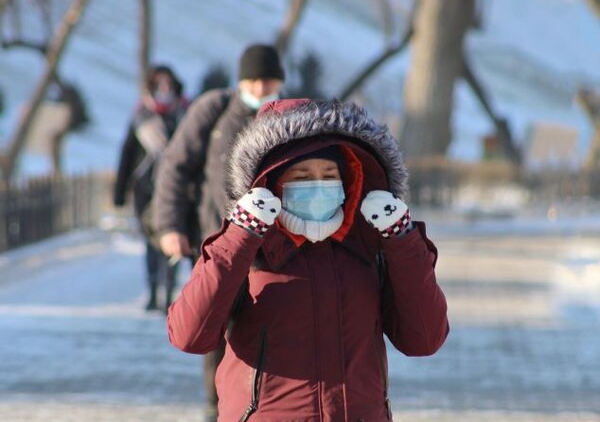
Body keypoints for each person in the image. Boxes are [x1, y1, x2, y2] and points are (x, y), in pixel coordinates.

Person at [167, 99, 449, 421]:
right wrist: (240, 235)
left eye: (329, 175)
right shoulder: (246, 250)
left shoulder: (370, 250)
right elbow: (189, 335)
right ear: (271, 185)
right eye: (301, 177)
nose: (318, 186)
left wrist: (403, 239)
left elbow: (425, 338)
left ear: (349, 182)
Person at [152, 43, 285, 420]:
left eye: (268, 80)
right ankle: (218, 409)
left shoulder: (291, 115)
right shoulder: (215, 111)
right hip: (217, 243)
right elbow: (175, 168)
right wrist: (169, 227)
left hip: (276, 250)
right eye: (254, 80)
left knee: (266, 328)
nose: (260, 88)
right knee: (214, 328)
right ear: (241, 79)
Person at [113, 64, 189, 312]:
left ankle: (168, 292)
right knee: (150, 243)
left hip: (177, 188)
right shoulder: (141, 118)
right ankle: (152, 291)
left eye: (168, 84)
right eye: (159, 85)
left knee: (174, 238)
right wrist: (120, 191)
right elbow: (127, 155)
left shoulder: (186, 114)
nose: (164, 89)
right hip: (145, 189)